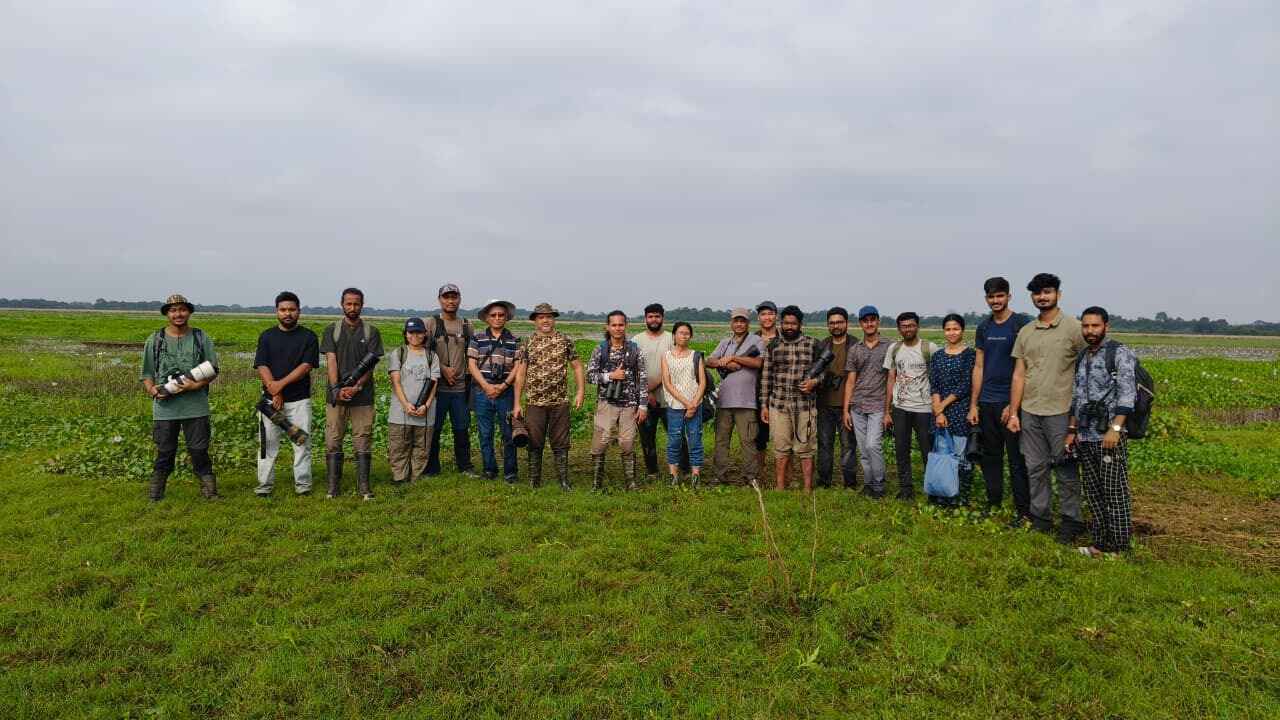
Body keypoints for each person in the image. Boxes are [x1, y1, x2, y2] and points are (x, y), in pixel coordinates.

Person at [1008, 273, 1088, 543]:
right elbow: (1019, 374)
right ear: (1032, 297)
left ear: (1058, 295)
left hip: (1061, 411)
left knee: (1065, 469)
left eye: (1047, 292)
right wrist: (1014, 412)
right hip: (1030, 411)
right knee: (1035, 467)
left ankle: (1071, 520)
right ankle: (1040, 517)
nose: (1042, 297)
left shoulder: (1074, 329)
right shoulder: (1026, 331)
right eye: (1037, 293)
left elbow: (1087, 367)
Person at [1068, 307, 1137, 557]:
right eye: (1085, 326)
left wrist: (1116, 428)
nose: (1090, 331)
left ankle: (1119, 548)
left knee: (1114, 492)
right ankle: (1099, 544)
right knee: (1094, 493)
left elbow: (1128, 393)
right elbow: (1077, 396)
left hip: (1109, 435)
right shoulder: (1083, 356)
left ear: (1106, 326)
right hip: (1086, 436)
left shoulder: (1119, 353)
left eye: (1095, 326)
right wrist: (1072, 429)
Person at [140, 294, 221, 501]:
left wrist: (196, 385)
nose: (178, 314)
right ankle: (156, 494)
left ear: (189, 312)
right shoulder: (155, 340)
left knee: (199, 450)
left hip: (196, 406)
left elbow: (212, 369)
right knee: (165, 451)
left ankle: (210, 492)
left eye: (182, 309)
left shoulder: (201, 337)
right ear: (167, 313)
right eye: (173, 310)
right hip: (165, 408)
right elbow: (147, 373)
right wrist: (152, 391)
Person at [967, 277, 1031, 517]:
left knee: (1017, 460)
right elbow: (979, 367)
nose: (996, 301)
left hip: (1011, 404)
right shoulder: (984, 327)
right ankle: (993, 502)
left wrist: (1014, 407)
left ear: (1009, 296)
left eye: (1000, 296)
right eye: (991, 297)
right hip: (987, 403)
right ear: (986, 299)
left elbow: (1025, 368)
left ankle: (1022, 510)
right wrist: (974, 404)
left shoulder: (1021, 324)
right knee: (991, 457)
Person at [253, 291, 319, 497]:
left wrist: (278, 387)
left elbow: (306, 366)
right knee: (267, 445)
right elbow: (262, 365)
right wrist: (273, 392)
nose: (287, 313)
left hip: (299, 400)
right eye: (283, 310)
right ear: (277, 312)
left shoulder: (308, 337)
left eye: (292, 309)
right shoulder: (267, 336)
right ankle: (264, 486)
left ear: (299, 311)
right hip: (270, 402)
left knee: (301, 443)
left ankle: (303, 485)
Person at [320, 287, 384, 500]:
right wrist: (336, 388)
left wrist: (356, 386)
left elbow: (371, 365)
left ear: (362, 305)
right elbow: (331, 360)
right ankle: (332, 487)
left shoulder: (371, 332)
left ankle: (364, 487)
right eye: (348, 303)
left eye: (356, 304)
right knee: (333, 439)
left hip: (363, 396)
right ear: (342, 304)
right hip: (335, 396)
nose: (352, 307)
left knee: (363, 439)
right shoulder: (332, 330)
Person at [514, 302, 584, 490]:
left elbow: (577, 366)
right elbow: (521, 373)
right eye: (541, 317)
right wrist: (517, 403)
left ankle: (563, 480)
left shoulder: (565, 340)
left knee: (561, 443)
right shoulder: (528, 342)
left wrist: (580, 392)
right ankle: (534, 480)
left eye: (549, 316)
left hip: (559, 401)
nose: (545, 320)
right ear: (535, 321)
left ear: (553, 319)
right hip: (535, 402)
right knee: (535, 442)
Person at [585, 310, 648, 490]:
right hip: (606, 403)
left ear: (626, 326)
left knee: (627, 442)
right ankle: (597, 484)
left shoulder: (635, 350)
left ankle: (631, 482)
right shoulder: (601, 349)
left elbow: (642, 379)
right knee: (600, 442)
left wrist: (643, 406)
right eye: (614, 325)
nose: (618, 328)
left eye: (621, 324)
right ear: (608, 327)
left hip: (630, 404)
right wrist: (611, 376)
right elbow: (590, 376)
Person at [760, 305, 820, 492]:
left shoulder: (812, 344)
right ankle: (780, 486)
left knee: (806, 447)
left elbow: (825, 372)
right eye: (786, 323)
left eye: (793, 323)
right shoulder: (773, 345)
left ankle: (807, 488)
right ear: (781, 323)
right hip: (779, 404)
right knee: (781, 447)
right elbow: (766, 376)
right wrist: (764, 405)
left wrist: (814, 382)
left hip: (805, 406)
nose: (789, 327)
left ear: (800, 324)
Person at [705, 308, 765, 486]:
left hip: (746, 402)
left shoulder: (757, 340)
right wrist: (724, 364)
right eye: (736, 321)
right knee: (721, 440)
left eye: (743, 321)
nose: (739, 324)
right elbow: (709, 361)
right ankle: (720, 475)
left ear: (748, 323)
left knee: (748, 441)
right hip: (724, 401)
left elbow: (758, 362)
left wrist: (735, 359)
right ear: (731, 323)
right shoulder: (725, 342)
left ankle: (750, 477)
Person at [884, 311, 939, 501]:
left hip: (924, 408)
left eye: (911, 325)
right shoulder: (894, 349)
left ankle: (932, 489)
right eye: (904, 326)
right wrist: (887, 409)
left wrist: (938, 407)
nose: (908, 329)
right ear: (899, 328)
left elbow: (938, 377)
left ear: (917, 326)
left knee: (927, 451)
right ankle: (906, 489)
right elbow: (891, 378)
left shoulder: (929, 348)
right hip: (900, 407)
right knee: (901, 450)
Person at [424, 284, 476, 478]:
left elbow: (472, 355)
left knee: (462, 429)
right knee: (434, 429)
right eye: (446, 297)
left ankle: (465, 466)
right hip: (436, 388)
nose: (450, 301)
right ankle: (431, 468)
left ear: (460, 299)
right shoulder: (431, 324)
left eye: (454, 297)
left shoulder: (466, 325)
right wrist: (442, 369)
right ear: (439, 300)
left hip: (460, 388)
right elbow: (423, 352)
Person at [468, 299, 523, 482]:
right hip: (482, 391)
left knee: (508, 434)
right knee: (485, 434)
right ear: (486, 318)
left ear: (506, 317)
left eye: (501, 315)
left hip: (505, 392)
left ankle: (510, 472)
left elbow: (518, 366)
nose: (498, 318)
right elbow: (472, 365)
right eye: (494, 315)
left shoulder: (515, 340)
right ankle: (489, 469)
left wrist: (504, 385)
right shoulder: (477, 338)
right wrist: (486, 386)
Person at [633, 303, 689, 479]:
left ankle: (685, 470)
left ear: (662, 318)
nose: (654, 319)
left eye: (657, 316)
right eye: (650, 316)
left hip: (670, 399)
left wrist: (650, 388)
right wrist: (645, 393)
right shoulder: (636, 341)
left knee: (677, 436)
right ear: (645, 319)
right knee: (647, 438)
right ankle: (652, 471)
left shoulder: (671, 339)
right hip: (644, 401)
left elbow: (673, 367)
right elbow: (632, 370)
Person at [928, 314, 977, 507]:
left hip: (960, 410)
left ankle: (960, 496)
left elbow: (966, 385)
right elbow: (934, 384)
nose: (952, 332)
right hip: (940, 413)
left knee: (960, 455)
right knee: (943, 454)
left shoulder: (969, 355)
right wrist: (938, 411)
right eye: (948, 329)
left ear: (962, 330)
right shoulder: (938, 355)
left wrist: (942, 406)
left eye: (955, 328)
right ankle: (942, 493)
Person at [842, 306, 890, 497]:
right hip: (858, 406)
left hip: (878, 405)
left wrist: (888, 410)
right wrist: (846, 409)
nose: (869, 323)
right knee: (863, 449)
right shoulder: (855, 350)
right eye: (865, 320)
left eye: (872, 319)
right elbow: (851, 381)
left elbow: (892, 379)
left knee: (873, 446)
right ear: (860, 323)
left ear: (878, 321)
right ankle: (869, 484)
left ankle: (879, 485)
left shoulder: (889, 347)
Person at [387, 317, 441, 485]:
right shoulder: (398, 353)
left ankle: (415, 477)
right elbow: (395, 382)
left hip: (425, 413)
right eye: (411, 332)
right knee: (399, 446)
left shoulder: (432, 356)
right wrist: (406, 405)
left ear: (425, 334)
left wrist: (426, 405)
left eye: (419, 332)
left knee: (422, 447)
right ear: (405, 334)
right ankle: (399, 477)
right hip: (400, 412)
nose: (415, 336)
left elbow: (434, 384)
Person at [814, 307, 857, 489]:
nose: (836, 326)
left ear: (846, 323)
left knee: (848, 446)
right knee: (824, 444)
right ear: (827, 325)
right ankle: (824, 481)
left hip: (848, 405)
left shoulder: (855, 345)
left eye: (839, 322)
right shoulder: (822, 345)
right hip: (824, 403)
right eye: (832, 323)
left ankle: (850, 482)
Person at [661, 322, 706, 487]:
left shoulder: (696, 356)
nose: (684, 336)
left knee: (695, 439)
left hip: (696, 404)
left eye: (687, 333)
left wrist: (693, 404)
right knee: (674, 440)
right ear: (674, 335)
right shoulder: (666, 356)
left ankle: (696, 475)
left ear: (691, 336)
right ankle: (673, 475)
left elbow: (702, 382)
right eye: (681, 333)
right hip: (675, 406)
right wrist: (687, 403)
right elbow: (667, 383)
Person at [753, 301, 780, 453]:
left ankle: (785, 474)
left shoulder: (785, 338)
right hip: (755, 392)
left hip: (780, 392)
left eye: (770, 313)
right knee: (759, 437)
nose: (767, 317)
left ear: (776, 316)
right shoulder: (751, 339)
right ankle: (759, 473)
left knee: (783, 437)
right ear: (758, 318)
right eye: (763, 314)